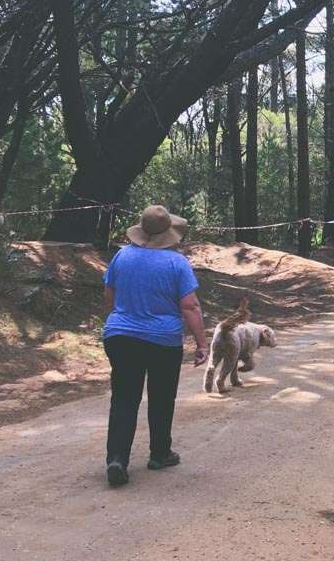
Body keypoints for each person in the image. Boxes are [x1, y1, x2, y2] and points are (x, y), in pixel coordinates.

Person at [100, 205, 209, 487]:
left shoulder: (121, 257)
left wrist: (117, 321)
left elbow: (109, 296)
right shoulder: (176, 263)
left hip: (120, 336)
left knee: (124, 397)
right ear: (169, 233)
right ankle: (160, 453)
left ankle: (117, 459)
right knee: (161, 397)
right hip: (162, 340)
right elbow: (190, 306)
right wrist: (202, 344)